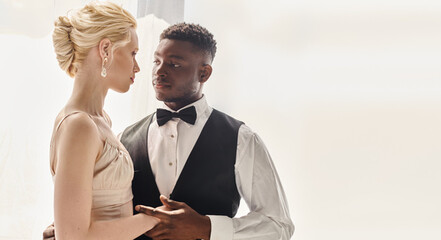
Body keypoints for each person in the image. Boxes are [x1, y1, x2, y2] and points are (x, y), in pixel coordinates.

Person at [45, 23, 295, 240]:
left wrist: (207, 228)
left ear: (204, 72)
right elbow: (100, 212)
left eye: (174, 64)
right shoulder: (123, 139)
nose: (158, 71)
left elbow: (279, 225)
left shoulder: (241, 139)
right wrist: (63, 231)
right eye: (156, 61)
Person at [47, 2, 159, 240]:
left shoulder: (101, 120)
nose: (137, 67)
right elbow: (73, 236)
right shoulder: (80, 125)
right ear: (106, 49)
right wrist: (152, 219)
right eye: (133, 53)